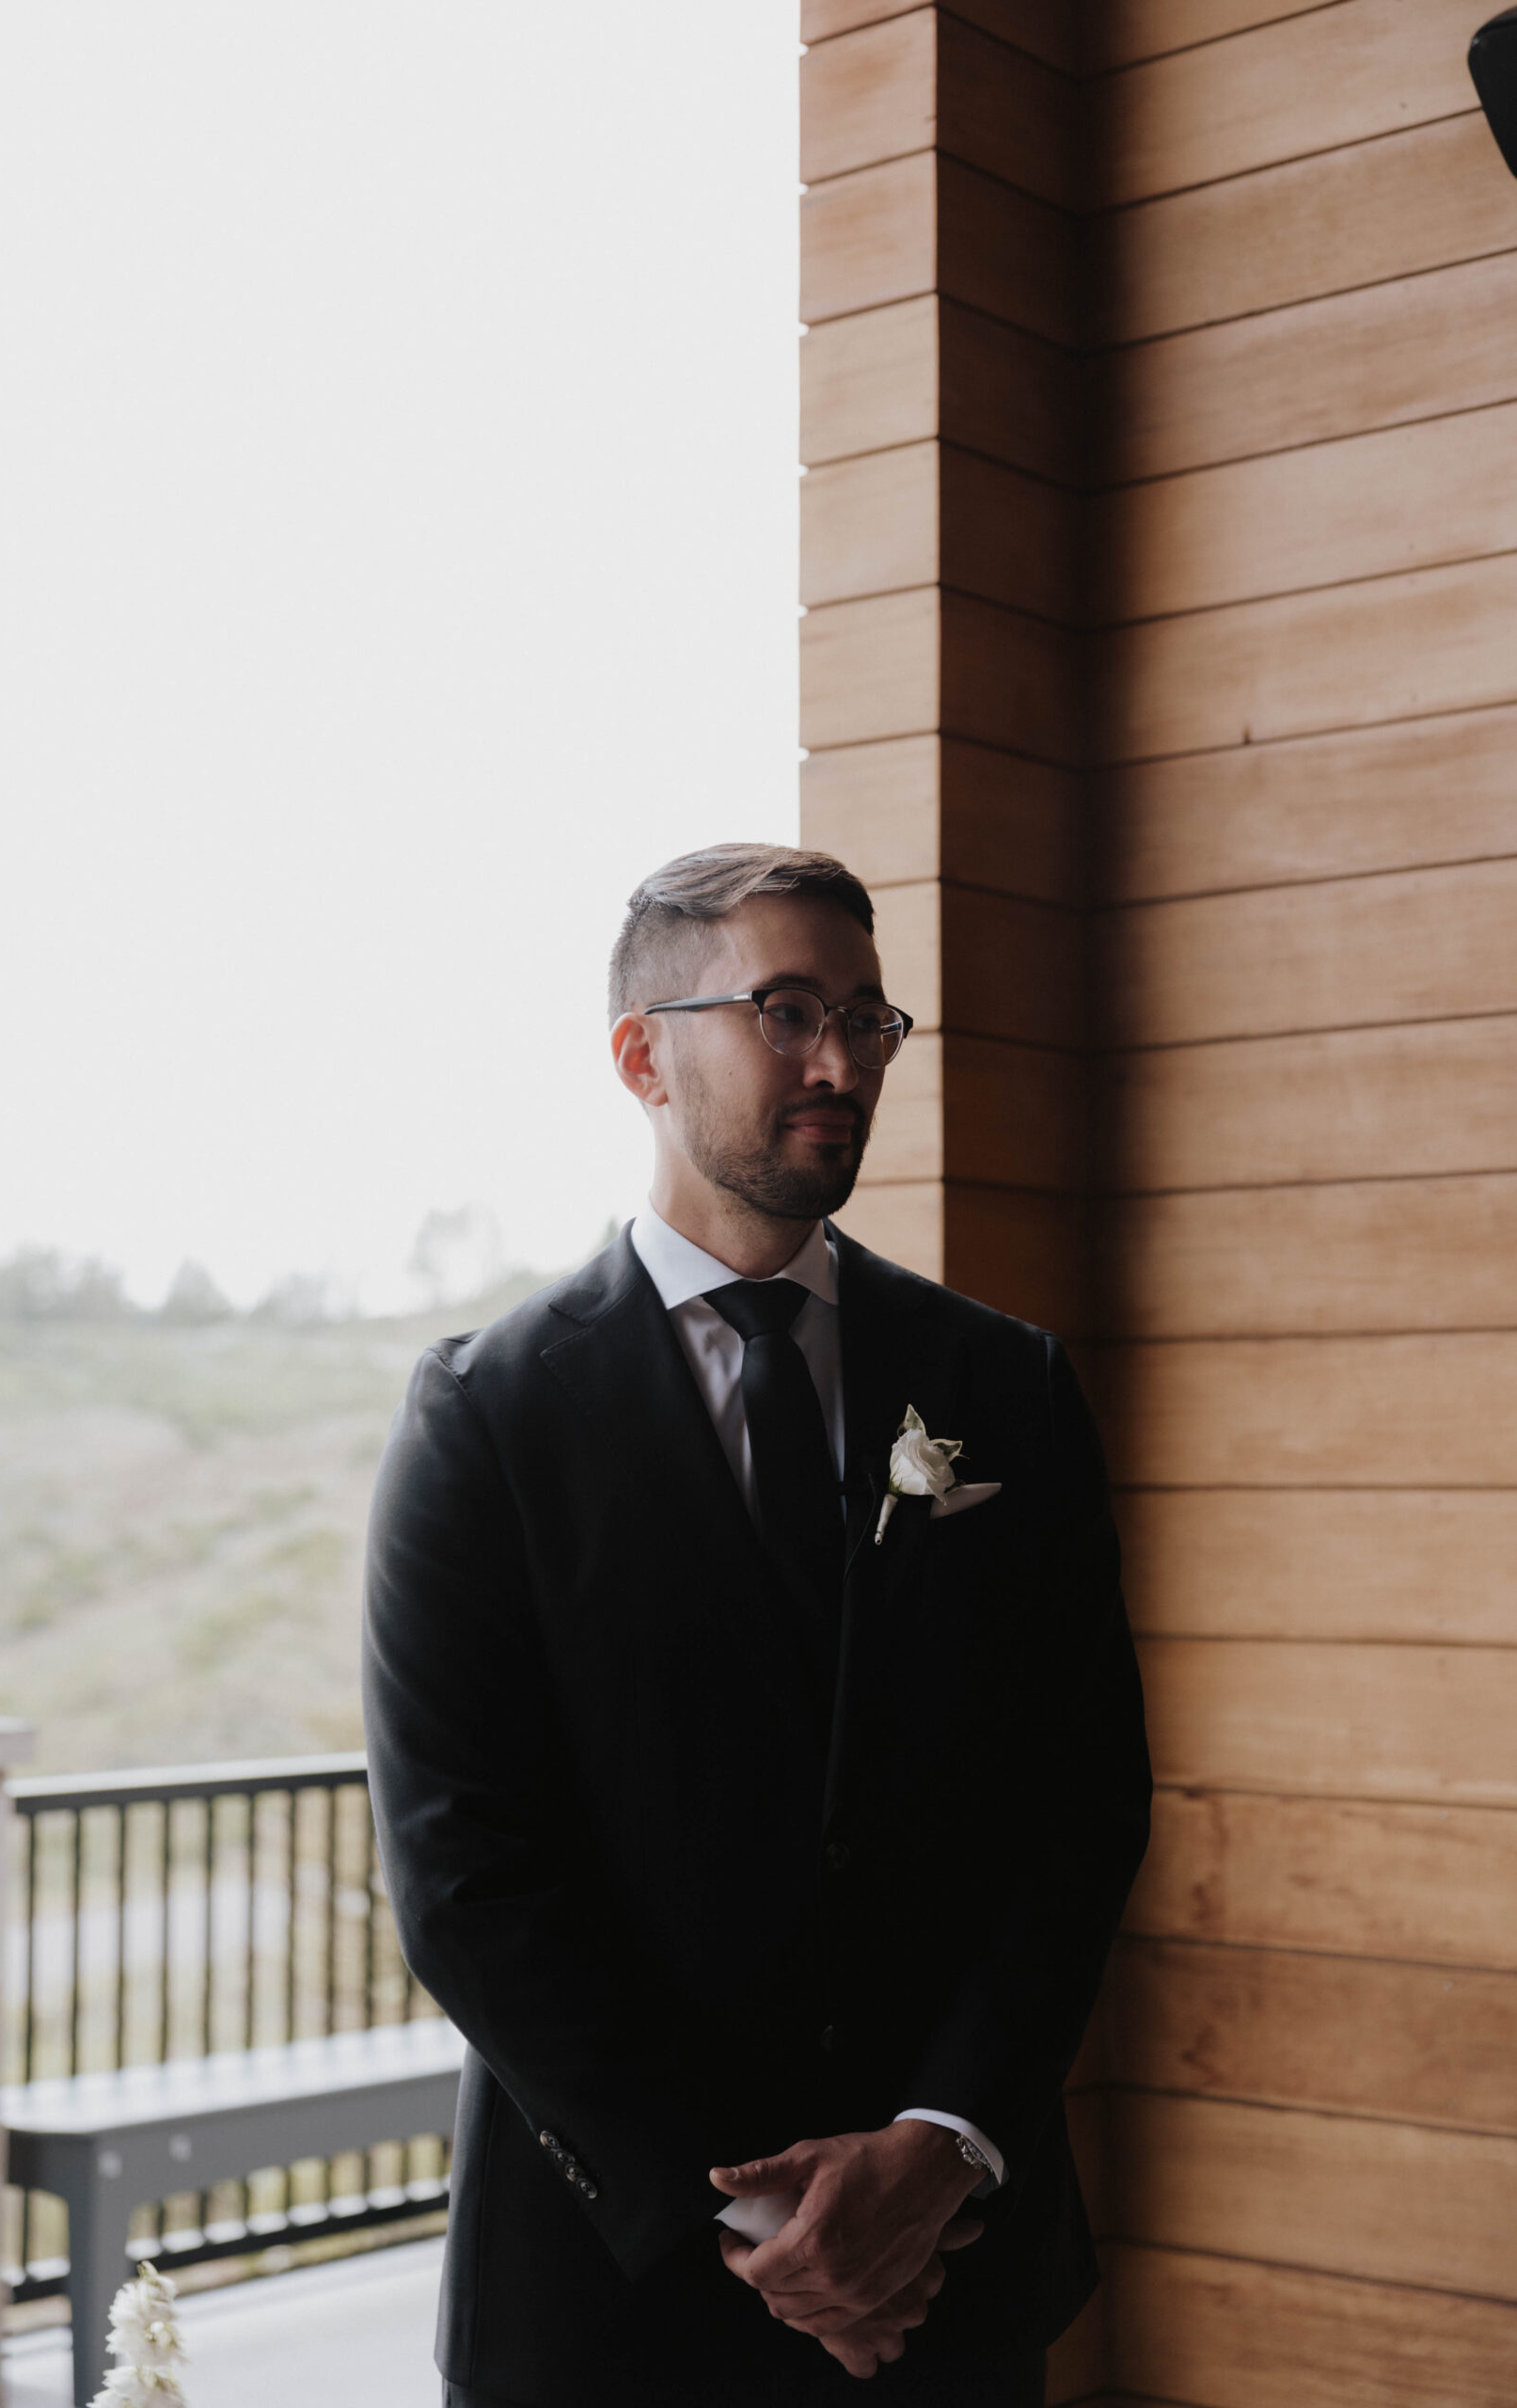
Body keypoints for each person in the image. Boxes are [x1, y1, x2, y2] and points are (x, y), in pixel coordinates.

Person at [362, 843, 1150, 2408]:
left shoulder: (1006, 1389)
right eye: (786, 1011)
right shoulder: (487, 1416)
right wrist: (758, 2214)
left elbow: (1082, 1804)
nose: (841, 1061)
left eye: (868, 1019)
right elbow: (465, 1876)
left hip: (957, 2273)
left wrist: (939, 2150)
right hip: (617, 2289)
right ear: (642, 1056)